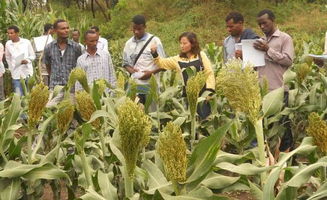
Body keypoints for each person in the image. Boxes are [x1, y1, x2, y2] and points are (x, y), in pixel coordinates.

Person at [254, 9, 294, 152]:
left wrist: (268, 50)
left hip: (279, 90)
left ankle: (287, 160)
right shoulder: (259, 41)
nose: (262, 27)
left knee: (283, 127)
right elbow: (255, 66)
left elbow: (288, 60)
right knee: (268, 128)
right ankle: (272, 159)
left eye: (264, 23)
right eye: (259, 24)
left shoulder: (285, 38)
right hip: (262, 91)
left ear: (273, 20)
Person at [150, 32, 215, 120]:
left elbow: (209, 73)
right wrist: (154, 53)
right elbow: (162, 63)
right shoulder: (178, 59)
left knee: (204, 121)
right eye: (180, 43)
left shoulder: (200, 55)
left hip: (203, 95)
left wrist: (209, 91)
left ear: (192, 44)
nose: (182, 46)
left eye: (184, 43)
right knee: (192, 121)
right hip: (189, 96)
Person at [122, 15, 166, 104]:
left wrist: (150, 73)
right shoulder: (128, 44)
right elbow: (125, 63)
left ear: (145, 27)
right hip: (136, 86)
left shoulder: (155, 41)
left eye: (139, 29)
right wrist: (132, 71)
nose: (136, 31)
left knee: (152, 113)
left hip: (151, 86)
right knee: (138, 112)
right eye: (134, 29)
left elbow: (164, 64)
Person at [43, 19, 82, 105]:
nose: (66, 30)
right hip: (55, 89)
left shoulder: (76, 47)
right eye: (63, 28)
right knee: (50, 111)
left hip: (72, 89)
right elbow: (48, 66)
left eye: (67, 28)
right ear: (55, 30)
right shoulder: (49, 48)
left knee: (71, 115)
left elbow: (80, 68)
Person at [5, 25, 36, 96]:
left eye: (11, 33)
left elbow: (33, 55)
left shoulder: (26, 42)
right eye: (8, 33)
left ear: (17, 33)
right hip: (16, 74)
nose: (9, 35)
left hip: (27, 72)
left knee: (30, 95)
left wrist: (27, 60)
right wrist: (11, 68)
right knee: (18, 96)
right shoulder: (8, 44)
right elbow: (8, 57)